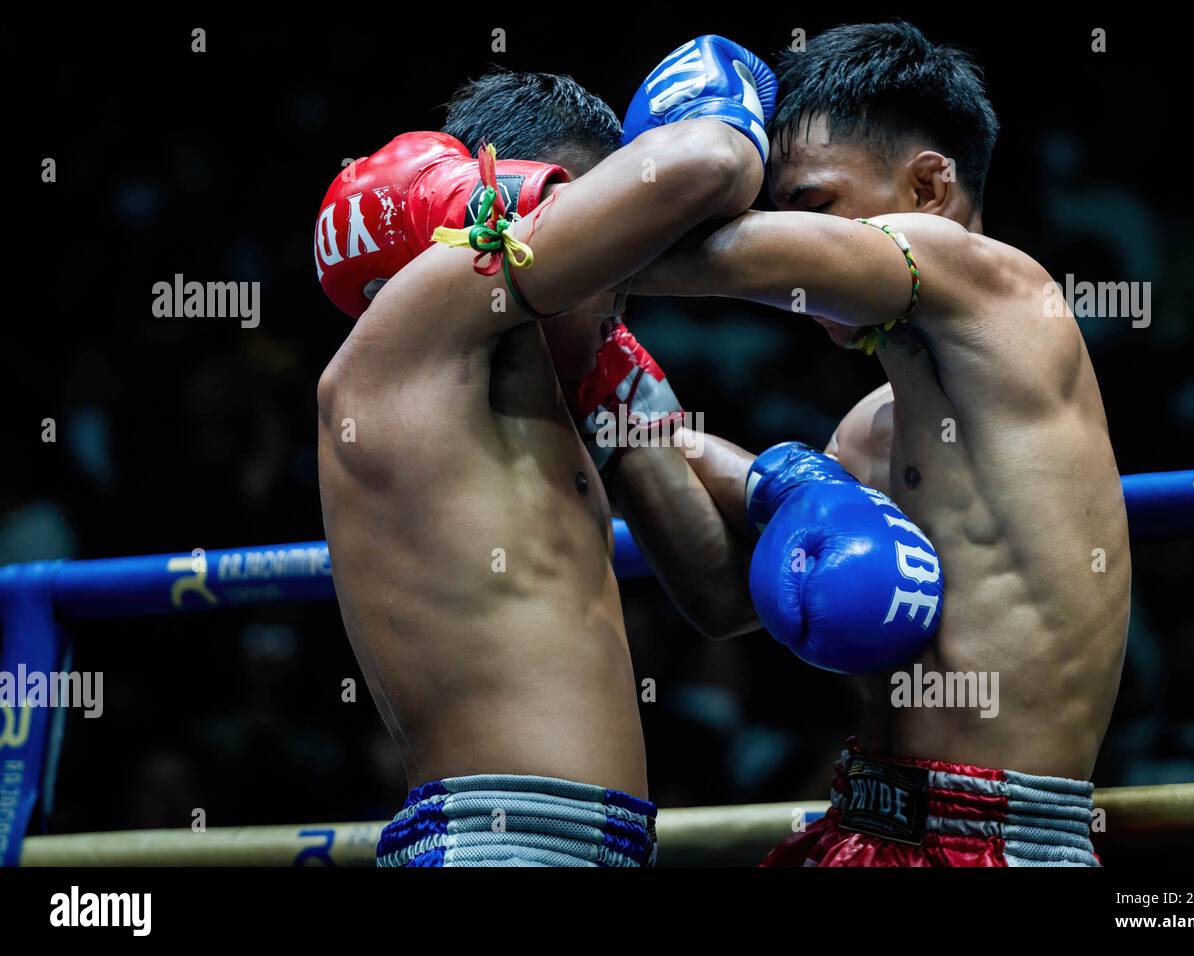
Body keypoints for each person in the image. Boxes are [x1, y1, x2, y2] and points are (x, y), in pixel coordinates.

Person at [622, 22, 1129, 866]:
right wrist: (619, 405)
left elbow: (737, 263)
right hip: (861, 826)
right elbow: (729, 604)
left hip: (997, 844)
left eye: (812, 206)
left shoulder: (1003, 287)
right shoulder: (866, 430)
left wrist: (549, 225)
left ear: (930, 187)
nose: (791, 236)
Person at [313, 43, 774, 866]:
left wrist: (795, 483)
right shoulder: (406, 341)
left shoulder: (566, 390)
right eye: (602, 239)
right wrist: (730, 112)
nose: (616, 271)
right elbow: (707, 163)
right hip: (498, 841)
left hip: (597, 844)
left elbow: (719, 592)